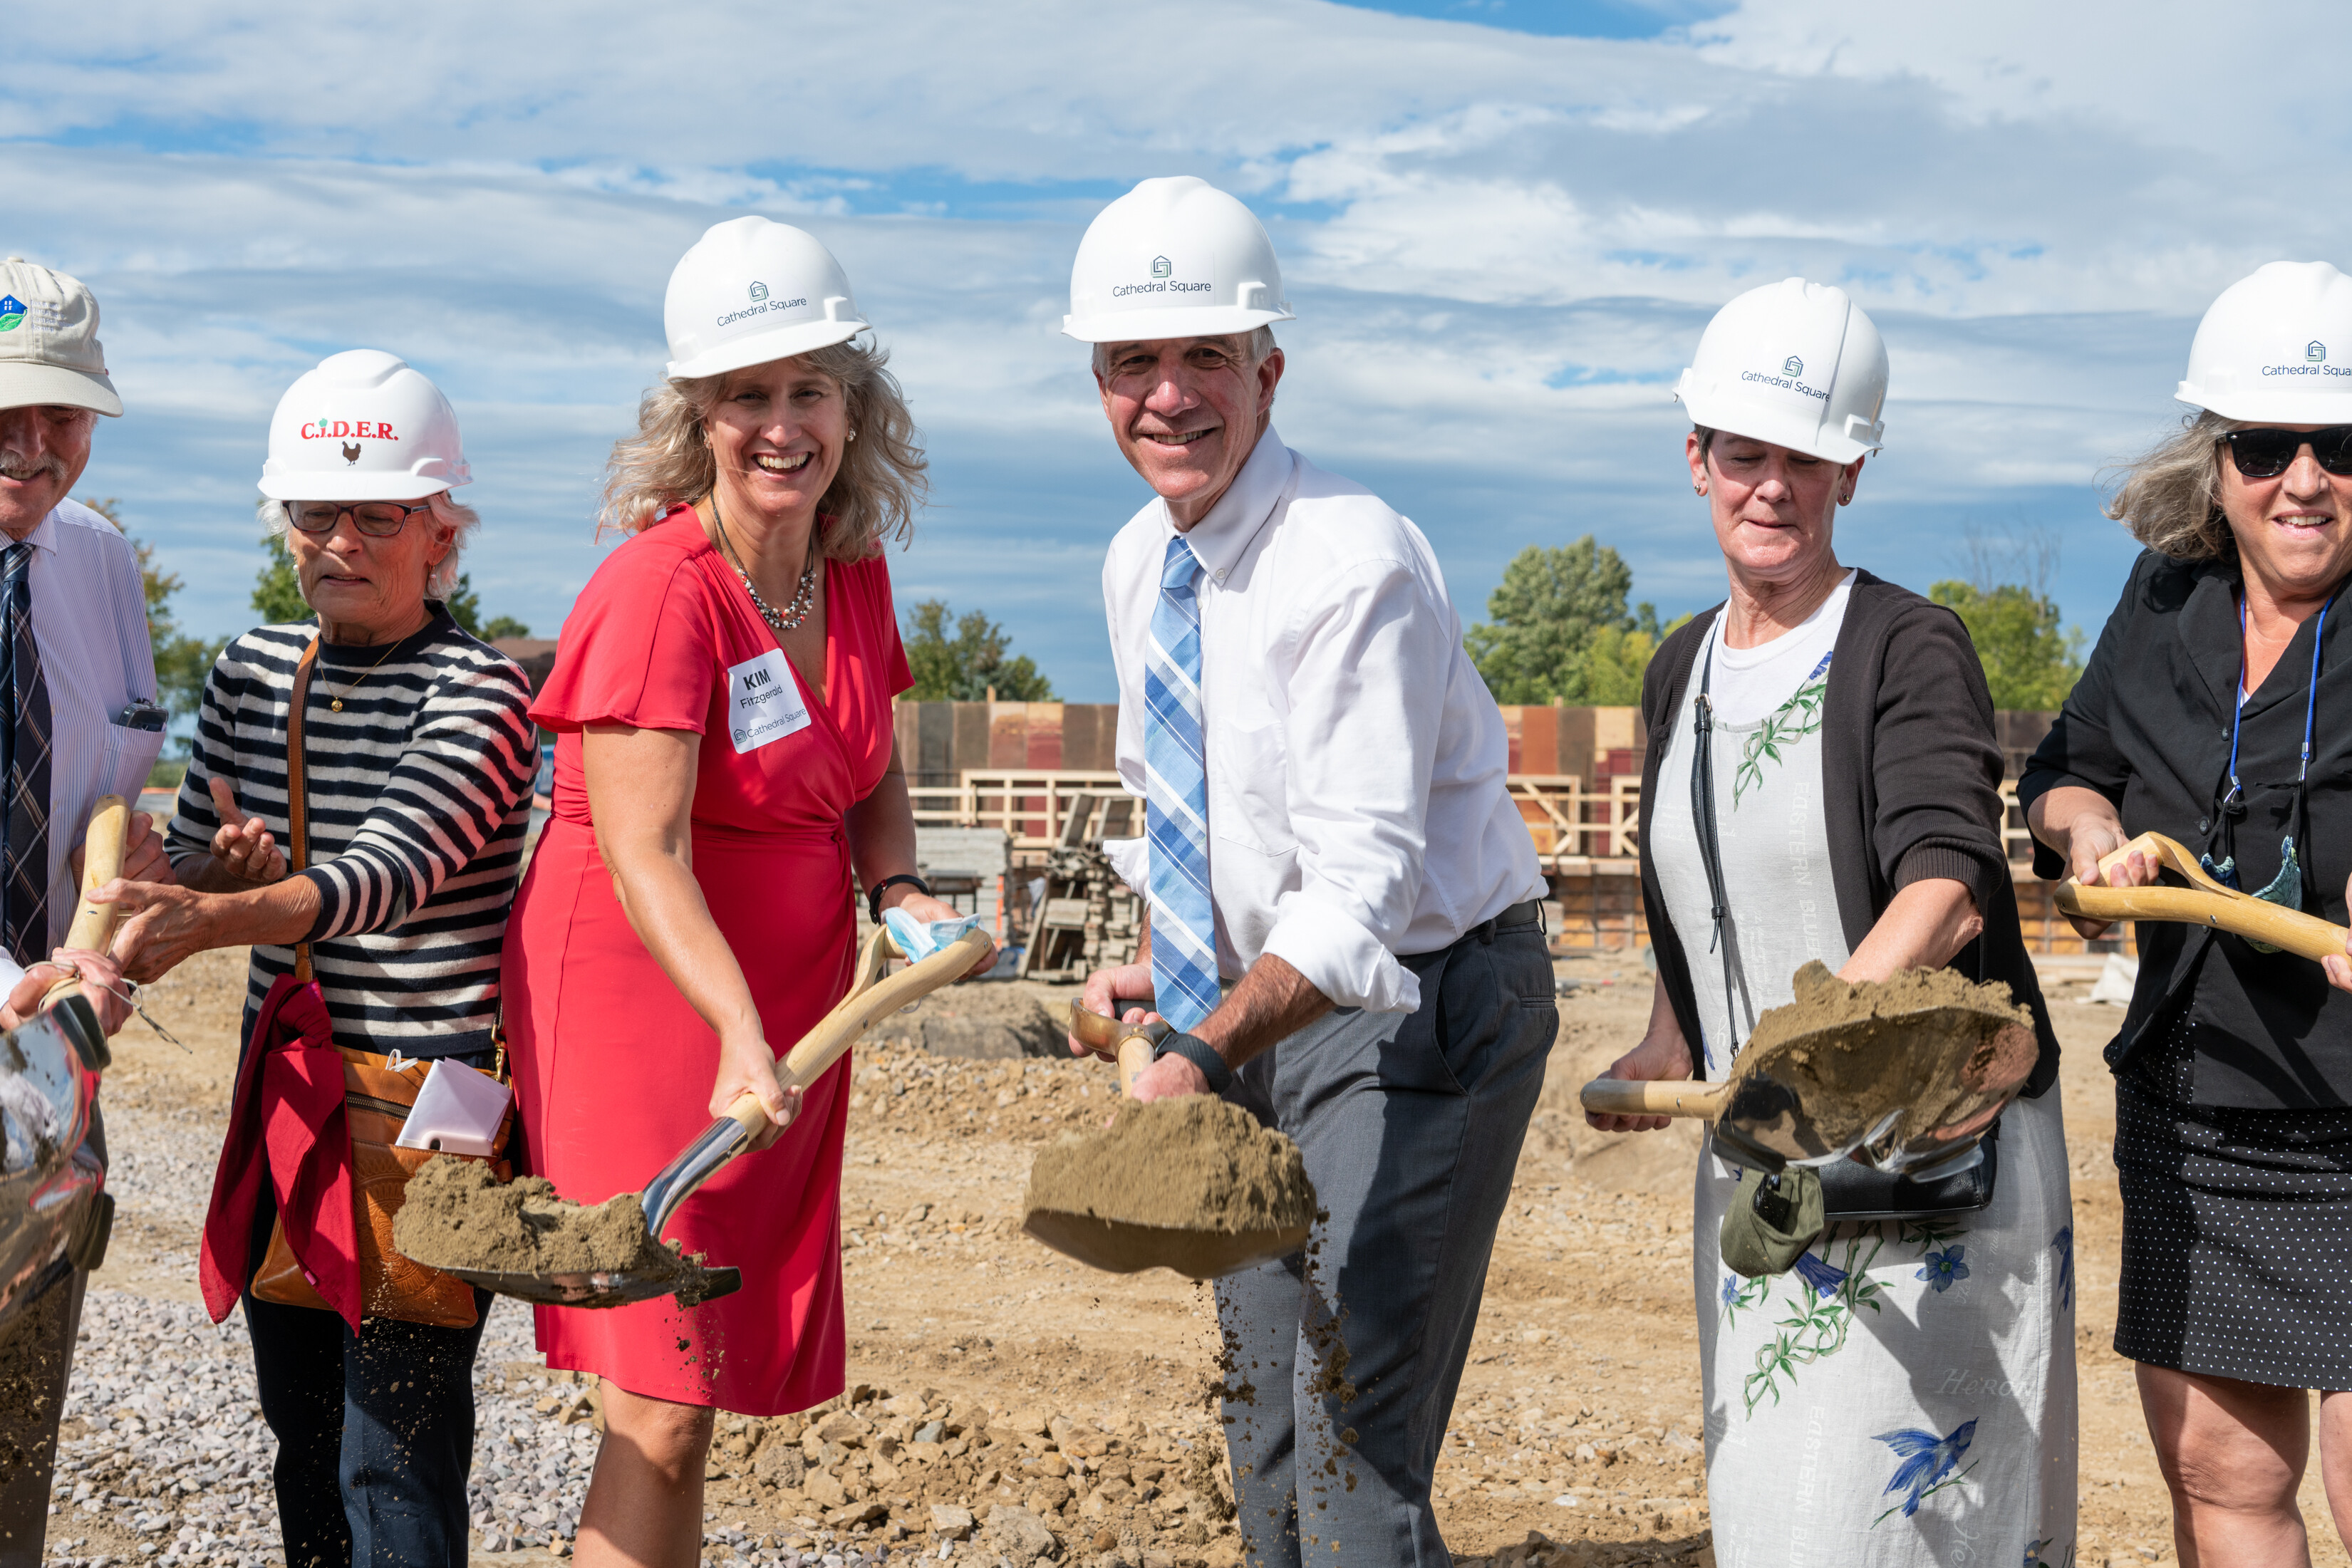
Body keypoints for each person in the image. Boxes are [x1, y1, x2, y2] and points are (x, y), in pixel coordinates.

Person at [1060, 176, 1555, 1568]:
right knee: (1264, 1424)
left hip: (1423, 1003)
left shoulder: (1348, 562)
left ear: (1266, 372)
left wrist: (1193, 1050)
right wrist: (1164, 965)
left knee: (1349, 1430)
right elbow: (1182, 803)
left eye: (1201, 357)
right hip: (1259, 1009)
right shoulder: (1132, 563)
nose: (1166, 396)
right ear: (1097, 382)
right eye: (1131, 364)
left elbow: (1359, 897)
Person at [502, 215, 984, 1568]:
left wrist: (896, 886)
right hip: (644, 1001)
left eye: (808, 392)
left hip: (778, 1008)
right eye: (747, 397)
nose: (782, 426)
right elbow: (644, 853)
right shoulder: (660, 591)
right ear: (697, 417)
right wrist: (734, 1031)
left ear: (854, 406)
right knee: (656, 1392)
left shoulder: (848, 565)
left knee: (691, 1395)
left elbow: (867, 756)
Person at [1586, 278, 2076, 1563]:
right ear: (1694, 459)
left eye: (1805, 458)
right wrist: (1665, 1040)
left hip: (1923, 1182)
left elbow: (1950, 882)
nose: (1771, 486)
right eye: (1742, 453)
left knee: (1885, 1531)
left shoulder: (1905, 645)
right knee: (1769, 1516)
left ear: (1849, 470)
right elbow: (1694, 886)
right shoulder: (1677, 666)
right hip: (1762, 1169)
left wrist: (1810, 1047)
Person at [100, 349, 537, 1568]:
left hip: (426, 1114)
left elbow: (392, 868)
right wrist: (196, 887)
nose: (340, 539)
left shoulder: (485, 691)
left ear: (441, 530)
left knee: (391, 1445)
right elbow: (192, 865)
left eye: (377, 514)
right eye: (314, 512)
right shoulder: (250, 673)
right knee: (299, 1424)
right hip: (290, 1093)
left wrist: (224, 917)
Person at [2021, 259, 2352, 1562]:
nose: (2305, 478)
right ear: (2216, 461)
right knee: (2220, 1476)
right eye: (2267, 446)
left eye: (2340, 445)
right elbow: (2063, 767)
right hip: (2198, 1101)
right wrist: (2088, 830)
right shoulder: (2163, 596)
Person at [0, 256, 167, 1567]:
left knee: (15, 1424)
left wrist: (111, 937)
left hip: (51, 1076)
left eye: (60, 410)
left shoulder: (101, 561)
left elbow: (119, 794)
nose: (32, 440)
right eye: (4, 407)